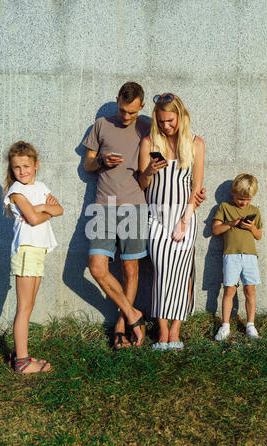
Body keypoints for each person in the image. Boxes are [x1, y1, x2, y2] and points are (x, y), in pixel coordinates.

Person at [83, 82, 150, 348]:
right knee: (97, 267)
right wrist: (101, 161)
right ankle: (135, 314)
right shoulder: (101, 124)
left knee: (130, 269)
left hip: (135, 205)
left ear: (141, 107)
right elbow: (87, 164)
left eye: (132, 113)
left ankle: (121, 327)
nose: (126, 117)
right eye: (123, 110)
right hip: (103, 206)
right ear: (117, 101)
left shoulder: (147, 126)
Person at [138, 93, 205, 351]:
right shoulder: (149, 142)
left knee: (181, 273)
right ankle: (162, 331)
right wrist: (150, 171)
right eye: (161, 121)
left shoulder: (195, 143)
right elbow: (143, 184)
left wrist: (184, 221)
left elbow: (196, 186)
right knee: (162, 272)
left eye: (170, 120)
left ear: (180, 116)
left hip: (184, 216)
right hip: (156, 217)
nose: (166, 126)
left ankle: (176, 330)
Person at [4, 141, 63, 373]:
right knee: (24, 307)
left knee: (29, 305)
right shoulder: (16, 192)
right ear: (12, 169)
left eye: (26, 166)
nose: (22, 172)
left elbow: (60, 209)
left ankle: (22, 354)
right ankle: (22, 362)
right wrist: (42, 209)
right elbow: (35, 219)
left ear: (36, 165)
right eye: (17, 168)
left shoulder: (40, 186)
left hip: (37, 250)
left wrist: (37, 208)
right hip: (27, 250)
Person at [212, 173, 262, 340]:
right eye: (241, 198)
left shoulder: (254, 211)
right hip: (231, 255)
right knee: (229, 289)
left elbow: (259, 235)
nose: (244, 203)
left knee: (250, 290)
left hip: (250, 256)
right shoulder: (224, 207)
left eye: (248, 199)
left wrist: (251, 228)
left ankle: (250, 325)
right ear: (233, 192)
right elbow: (216, 230)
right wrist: (232, 223)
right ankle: (225, 325)